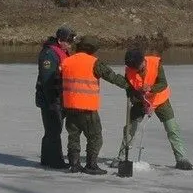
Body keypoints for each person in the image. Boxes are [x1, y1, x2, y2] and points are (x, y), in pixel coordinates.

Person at [111, 48, 193, 171]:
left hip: (160, 100)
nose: (137, 70)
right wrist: (138, 99)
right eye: (134, 68)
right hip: (141, 102)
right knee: (130, 129)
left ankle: (181, 159)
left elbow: (163, 84)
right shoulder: (129, 70)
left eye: (138, 67)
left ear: (143, 60)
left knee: (172, 128)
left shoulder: (155, 64)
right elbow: (130, 90)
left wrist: (150, 88)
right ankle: (121, 157)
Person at [60, 35, 129, 175]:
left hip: (70, 107)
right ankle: (91, 165)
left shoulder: (67, 61)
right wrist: (129, 86)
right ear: (91, 49)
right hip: (87, 108)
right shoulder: (94, 62)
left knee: (73, 136)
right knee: (95, 137)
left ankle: (74, 164)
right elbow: (111, 77)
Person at [35, 26, 76, 169]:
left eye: (71, 42)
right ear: (60, 40)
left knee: (53, 129)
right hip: (50, 98)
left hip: (59, 98)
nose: (70, 45)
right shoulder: (49, 54)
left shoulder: (62, 52)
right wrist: (52, 100)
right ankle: (55, 160)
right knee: (53, 129)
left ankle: (47, 159)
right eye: (68, 41)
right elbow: (47, 80)